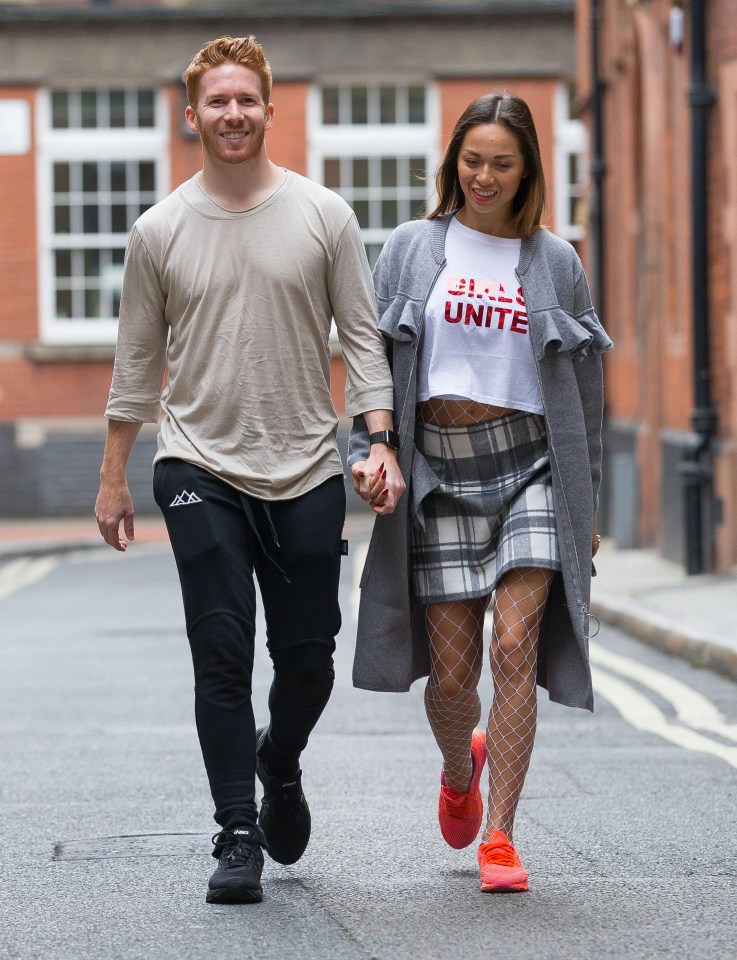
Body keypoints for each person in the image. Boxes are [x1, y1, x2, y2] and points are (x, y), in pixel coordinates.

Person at [94, 35, 404, 905]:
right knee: (221, 648)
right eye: (216, 102)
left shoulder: (323, 216)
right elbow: (135, 363)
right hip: (196, 462)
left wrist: (378, 440)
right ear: (191, 115)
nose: (232, 114)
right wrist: (116, 474)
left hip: (306, 464)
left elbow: (362, 338)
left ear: (270, 109)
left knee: (308, 661)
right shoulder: (158, 231)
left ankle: (281, 760)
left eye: (246, 100)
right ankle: (236, 834)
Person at [349, 93, 611, 893]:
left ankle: (499, 834)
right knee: (455, 679)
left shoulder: (554, 261)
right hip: (440, 473)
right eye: (472, 160)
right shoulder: (410, 248)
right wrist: (372, 449)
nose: (484, 176)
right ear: (452, 162)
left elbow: (585, 394)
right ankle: (459, 770)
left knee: (513, 646)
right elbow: (369, 362)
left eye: (502, 162)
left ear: (527, 168)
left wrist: (586, 503)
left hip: (531, 467)